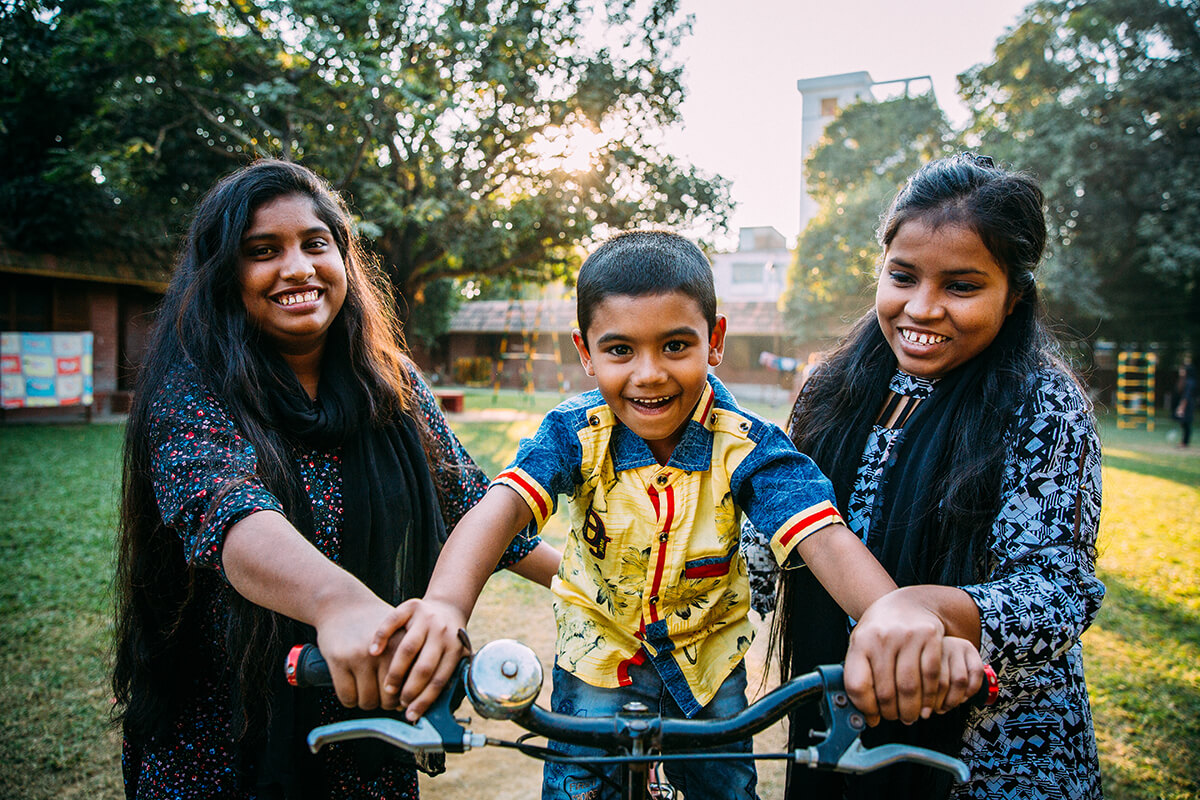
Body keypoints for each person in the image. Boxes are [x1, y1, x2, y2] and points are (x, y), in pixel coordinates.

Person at [369, 231, 984, 800]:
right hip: (596, 657)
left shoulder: (747, 444)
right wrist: (446, 606)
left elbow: (819, 531)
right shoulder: (574, 433)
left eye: (676, 345)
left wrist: (890, 615)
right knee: (581, 786)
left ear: (713, 341)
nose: (649, 374)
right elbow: (498, 509)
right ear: (586, 353)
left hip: (708, 663)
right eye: (620, 350)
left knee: (724, 789)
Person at [111, 159, 559, 799]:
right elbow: (231, 514)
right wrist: (338, 603)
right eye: (263, 251)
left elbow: (472, 505)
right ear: (224, 274)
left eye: (315, 244)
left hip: (366, 728)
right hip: (224, 740)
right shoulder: (193, 383)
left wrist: (592, 587)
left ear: (343, 258)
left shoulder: (392, 381)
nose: (297, 268)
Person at [745, 152, 1106, 799]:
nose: (922, 308)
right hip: (838, 740)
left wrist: (929, 609)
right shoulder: (829, 390)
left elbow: (1059, 590)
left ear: (1014, 293)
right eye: (903, 276)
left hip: (990, 761)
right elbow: (766, 547)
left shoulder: (1044, 403)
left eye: (961, 286)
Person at [1174, 360, 1195, 447]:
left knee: (1186, 423)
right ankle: (1184, 442)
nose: (1180, 371)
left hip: (1188, 405)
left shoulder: (1189, 382)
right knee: (1183, 423)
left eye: (1182, 370)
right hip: (1185, 403)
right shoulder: (1184, 381)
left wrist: (1181, 407)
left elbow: (1186, 396)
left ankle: (1185, 442)